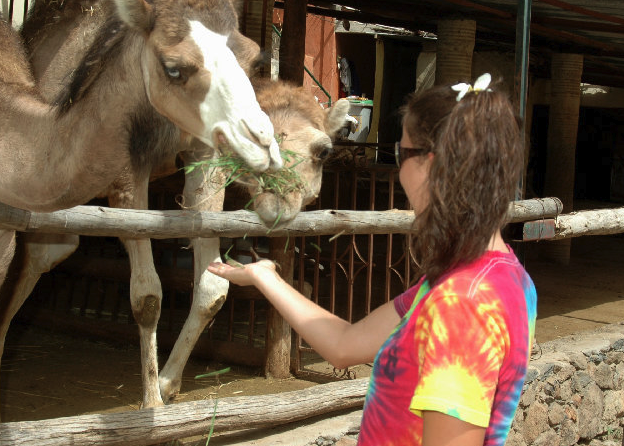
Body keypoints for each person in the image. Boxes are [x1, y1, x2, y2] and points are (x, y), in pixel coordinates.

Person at [207, 73, 537, 446]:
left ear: (431, 165)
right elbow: (345, 345)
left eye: (401, 154)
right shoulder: (492, 276)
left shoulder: (462, 304)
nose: (399, 171)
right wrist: (266, 276)